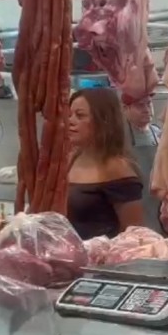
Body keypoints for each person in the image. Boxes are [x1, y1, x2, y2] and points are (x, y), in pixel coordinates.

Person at [67, 87, 144, 239]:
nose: (70, 121)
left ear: (103, 120)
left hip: (104, 260)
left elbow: (134, 233)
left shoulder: (117, 168)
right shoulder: (71, 160)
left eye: (80, 115)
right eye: (69, 115)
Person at [122, 92, 163, 231]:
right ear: (125, 108)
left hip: (158, 200)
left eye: (149, 104)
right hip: (136, 199)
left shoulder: (158, 133)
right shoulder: (120, 137)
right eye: (140, 105)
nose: (146, 109)